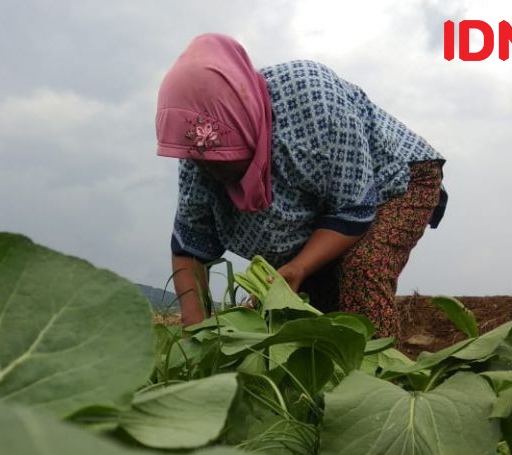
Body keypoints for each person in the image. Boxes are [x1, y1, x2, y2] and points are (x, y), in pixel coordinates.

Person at [156, 33, 447, 337]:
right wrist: (197, 333)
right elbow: (189, 246)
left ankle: (383, 377)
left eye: (222, 158)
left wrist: (299, 268)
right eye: (203, 161)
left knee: (363, 268)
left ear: (241, 120)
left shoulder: (313, 100)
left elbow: (353, 210)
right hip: (318, 215)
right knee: (302, 311)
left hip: (395, 179)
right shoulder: (198, 152)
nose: (211, 170)